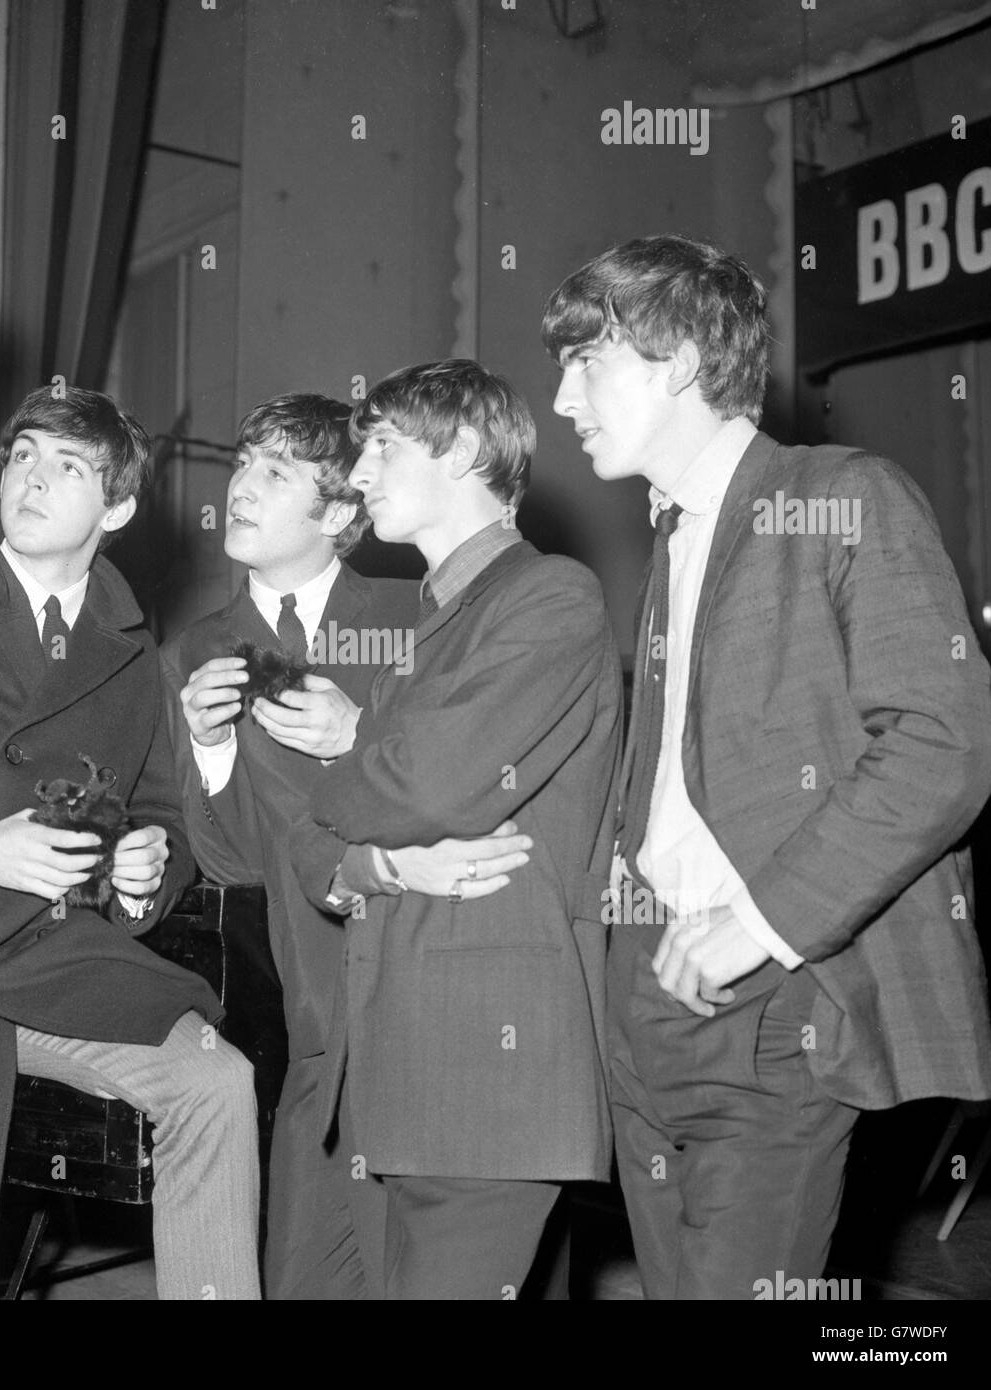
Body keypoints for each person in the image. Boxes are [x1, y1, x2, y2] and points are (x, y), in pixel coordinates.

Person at [543, 233, 991, 1299]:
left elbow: (945, 741)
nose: (563, 396)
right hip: (647, 997)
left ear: (680, 361)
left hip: (775, 1001)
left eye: (585, 362)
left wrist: (757, 922)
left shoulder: (843, 494)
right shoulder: (675, 540)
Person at [0, 386, 261, 1300]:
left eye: (68, 466)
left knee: (219, 1083)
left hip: (57, 959)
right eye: (21, 456)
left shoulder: (138, 654)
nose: (32, 479)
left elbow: (165, 817)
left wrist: (141, 871)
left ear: (116, 508)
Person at [164, 393, 534, 1298]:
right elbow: (230, 865)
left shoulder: (422, 614)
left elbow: (487, 786)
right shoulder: (193, 650)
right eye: (241, 464)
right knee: (308, 1266)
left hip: (436, 975)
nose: (239, 490)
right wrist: (209, 751)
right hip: (301, 1003)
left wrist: (357, 729)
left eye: (274, 473)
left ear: (339, 515)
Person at [268, 360, 622, 1299]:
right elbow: (317, 842)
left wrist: (349, 790)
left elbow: (424, 786)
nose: (359, 474)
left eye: (381, 446)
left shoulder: (549, 596)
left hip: (486, 1074)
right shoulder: (427, 636)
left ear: (464, 450)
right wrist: (378, 858)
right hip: (403, 1071)